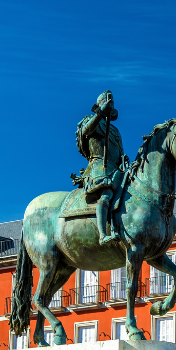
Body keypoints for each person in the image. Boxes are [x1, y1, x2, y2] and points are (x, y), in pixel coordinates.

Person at [72, 90, 125, 244]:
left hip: (116, 169)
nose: (111, 104)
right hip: (99, 166)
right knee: (107, 194)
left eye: (112, 102)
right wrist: (100, 113)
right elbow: (86, 131)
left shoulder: (115, 131)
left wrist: (123, 160)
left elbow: (119, 152)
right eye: (108, 102)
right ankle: (102, 235)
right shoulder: (90, 119)